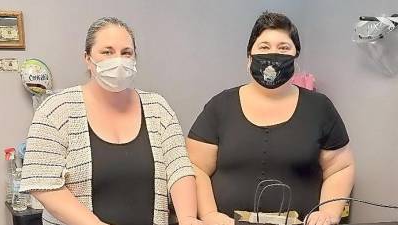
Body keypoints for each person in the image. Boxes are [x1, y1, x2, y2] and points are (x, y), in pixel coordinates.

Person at [20, 17, 202, 225]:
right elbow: (43, 183)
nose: (118, 60)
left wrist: (188, 218)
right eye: (107, 52)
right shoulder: (56, 110)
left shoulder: (158, 108)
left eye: (126, 53)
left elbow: (179, 168)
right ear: (87, 58)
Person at [186, 11, 355, 225]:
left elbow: (340, 167)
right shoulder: (220, 106)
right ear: (249, 56)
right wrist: (209, 215)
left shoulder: (320, 107)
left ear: (296, 56)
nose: (273, 55)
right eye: (264, 47)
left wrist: (328, 213)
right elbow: (195, 166)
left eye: (283, 48)